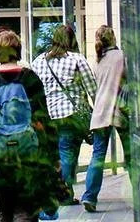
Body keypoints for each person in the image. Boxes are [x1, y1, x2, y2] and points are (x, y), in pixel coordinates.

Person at [0, 30, 59, 222]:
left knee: (3, 209)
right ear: (17, 50)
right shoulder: (30, 78)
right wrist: (53, 155)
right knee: (27, 209)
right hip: (28, 157)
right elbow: (44, 120)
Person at [31, 23, 97, 205]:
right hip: (71, 115)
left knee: (56, 156)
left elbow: (33, 90)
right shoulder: (76, 60)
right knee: (68, 155)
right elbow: (92, 89)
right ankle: (63, 194)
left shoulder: (39, 61)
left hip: (47, 116)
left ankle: (60, 192)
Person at [81, 25, 127, 213]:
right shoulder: (122, 56)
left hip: (100, 112)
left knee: (98, 156)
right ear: (113, 37)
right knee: (131, 155)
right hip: (119, 111)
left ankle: (89, 196)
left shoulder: (98, 61)